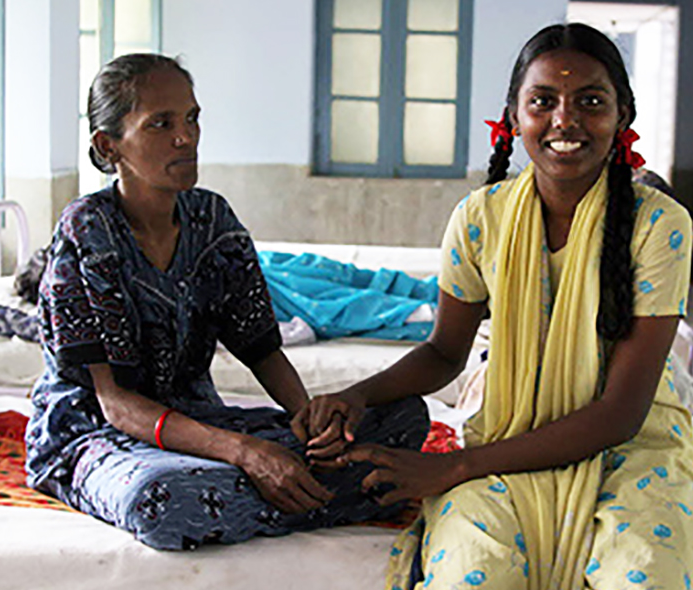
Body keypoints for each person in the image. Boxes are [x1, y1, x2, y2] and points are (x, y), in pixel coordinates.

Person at [296, 23, 693, 589]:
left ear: (622, 115)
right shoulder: (480, 219)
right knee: (470, 573)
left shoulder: (659, 225)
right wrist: (355, 395)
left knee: (647, 573)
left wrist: (453, 467)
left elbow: (622, 413)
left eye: (590, 102)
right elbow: (444, 352)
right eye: (543, 101)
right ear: (514, 115)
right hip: (507, 432)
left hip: (635, 447)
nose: (565, 120)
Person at [24, 53, 429, 551]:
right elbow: (116, 405)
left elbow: (261, 349)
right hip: (99, 436)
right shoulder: (89, 231)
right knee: (158, 501)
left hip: (197, 426)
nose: (185, 137)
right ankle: (353, 495)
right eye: (161, 124)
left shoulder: (212, 219)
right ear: (109, 146)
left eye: (192, 118)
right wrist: (247, 454)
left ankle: (300, 488)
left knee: (406, 417)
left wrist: (309, 424)